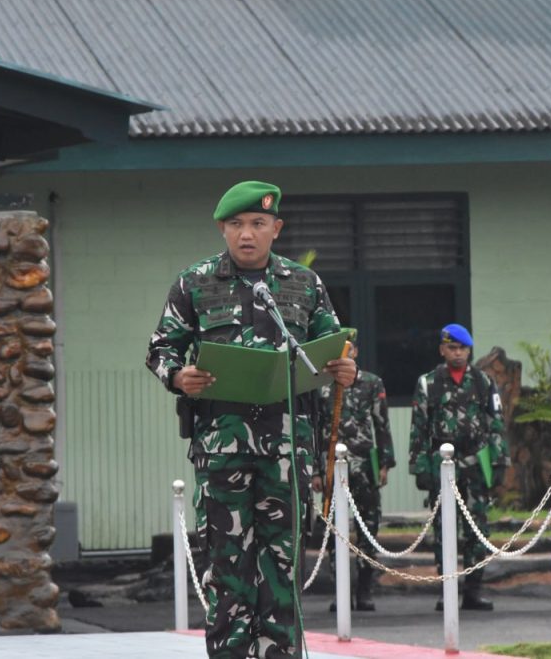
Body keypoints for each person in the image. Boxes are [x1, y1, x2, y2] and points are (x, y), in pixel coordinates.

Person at [146, 180, 356, 659]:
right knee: (227, 566)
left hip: (287, 450)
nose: (247, 234)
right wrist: (180, 377)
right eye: (237, 224)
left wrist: (347, 365)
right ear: (222, 228)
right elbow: (160, 349)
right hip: (223, 452)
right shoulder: (194, 282)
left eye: (258, 224)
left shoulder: (303, 285)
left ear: (275, 229)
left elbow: (335, 344)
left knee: (281, 564)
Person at [408, 323, 507, 611]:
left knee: (478, 529)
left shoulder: (483, 382)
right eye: (452, 348)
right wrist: (420, 467)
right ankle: (447, 588)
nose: (458, 353)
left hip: (476, 463)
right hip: (443, 465)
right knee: (444, 529)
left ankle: (474, 590)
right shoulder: (428, 382)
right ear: (442, 349)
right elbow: (419, 429)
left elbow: (496, 424)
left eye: (463, 348)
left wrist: (500, 460)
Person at [311, 338, 395, 612]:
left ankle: (365, 591)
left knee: (368, 529)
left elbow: (381, 424)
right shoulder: (320, 385)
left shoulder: (372, 383)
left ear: (356, 352)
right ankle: (341, 592)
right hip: (331, 467)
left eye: (349, 349)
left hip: (364, 466)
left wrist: (384, 463)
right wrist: (314, 470)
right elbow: (313, 429)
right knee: (335, 531)